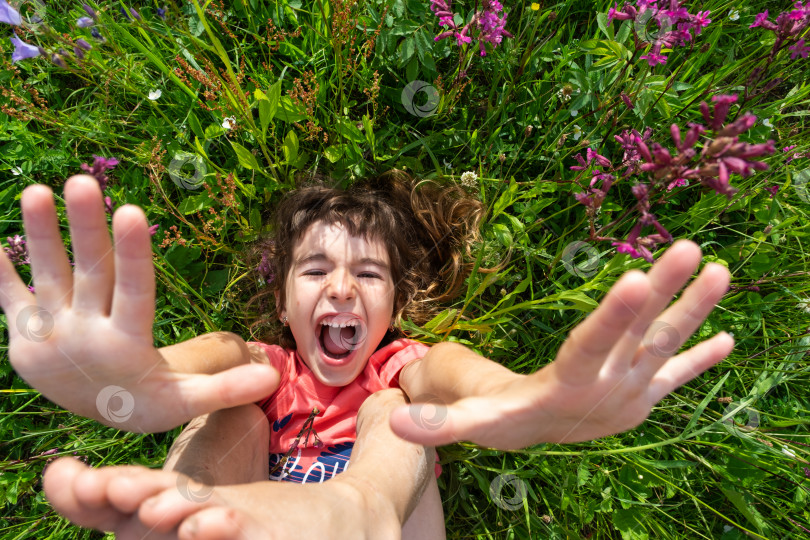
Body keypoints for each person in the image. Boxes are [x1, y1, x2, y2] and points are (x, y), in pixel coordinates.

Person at [0, 171, 735, 539]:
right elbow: (201, 361)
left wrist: (523, 399)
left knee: (399, 414)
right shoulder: (262, 364)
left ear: (393, 310)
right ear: (285, 304)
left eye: (370, 274)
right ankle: (191, 517)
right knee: (238, 403)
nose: (343, 287)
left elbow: (456, 375)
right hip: (235, 515)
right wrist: (126, 387)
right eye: (315, 271)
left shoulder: (398, 367)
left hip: (359, 524)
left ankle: (356, 512)